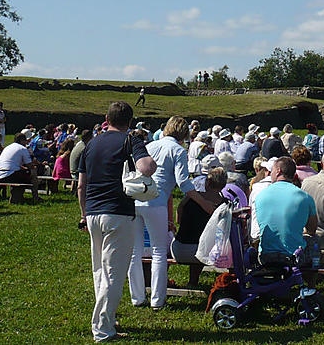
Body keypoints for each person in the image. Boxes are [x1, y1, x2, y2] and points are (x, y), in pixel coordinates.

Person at [77, 101, 155, 343]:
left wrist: (83, 213)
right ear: (129, 122)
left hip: (92, 212)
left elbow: (81, 184)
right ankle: (102, 328)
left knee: (99, 270)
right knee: (114, 273)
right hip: (117, 212)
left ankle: (107, 318)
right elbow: (147, 167)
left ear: (106, 118)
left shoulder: (90, 145)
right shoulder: (130, 140)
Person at [129, 115, 214, 307]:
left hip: (136, 200)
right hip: (155, 202)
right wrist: (203, 202)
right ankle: (157, 300)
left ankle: (137, 297)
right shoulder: (177, 150)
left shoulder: (150, 146)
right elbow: (183, 182)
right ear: (184, 134)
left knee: (135, 251)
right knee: (159, 251)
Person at [254, 157, 318, 265]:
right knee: (314, 241)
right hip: (293, 257)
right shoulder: (305, 197)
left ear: (278, 171)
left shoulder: (260, 195)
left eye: (272, 171)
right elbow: (312, 230)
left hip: (265, 256)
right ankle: (311, 281)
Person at [170, 167, 227, 286]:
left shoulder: (191, 198)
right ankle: (193, 281)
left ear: (207, 182)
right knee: (203, 244)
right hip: (201, 254)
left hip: (178, 249)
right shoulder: (223, 204)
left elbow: (178, 217)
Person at [0, 133, 41, 203]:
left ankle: (17, 196)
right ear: (22, 141)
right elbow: (30, 165)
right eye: (25, 140)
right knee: (33, 173)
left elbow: (11, 163)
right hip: (9, 175)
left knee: (22, 174)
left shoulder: (7, 147)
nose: (26, 142)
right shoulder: (23, 148)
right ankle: (35, 197)